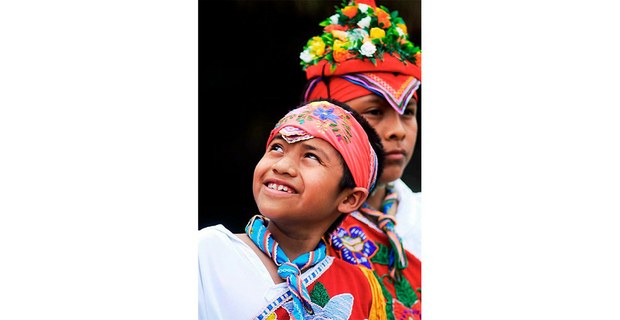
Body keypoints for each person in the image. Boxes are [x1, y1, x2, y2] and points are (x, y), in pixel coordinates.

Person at [198, 99, 388, 319]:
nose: (282, 166)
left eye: (310, 156)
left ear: (349, 198)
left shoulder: (359, 288)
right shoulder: (208, 252)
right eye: (277, 148)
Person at [298, 0, 423, 318]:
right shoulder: (296, 225)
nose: (397, 131)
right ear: (328, 121)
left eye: (407, 113)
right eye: (374, 112)